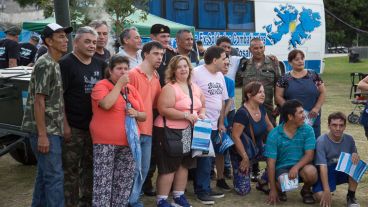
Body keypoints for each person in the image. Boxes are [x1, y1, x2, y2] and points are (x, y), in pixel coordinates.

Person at [21, 23, 73, 207]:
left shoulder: (54, 63)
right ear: (48, 41)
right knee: (54, 177)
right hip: (44, 130)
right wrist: (42, 135)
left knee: (45, 176)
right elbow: (38, 101)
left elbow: (56, 99)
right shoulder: (45, 64)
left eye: (65, 36)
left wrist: (64, 125)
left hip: (53, 128)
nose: (66, 40)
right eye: (60, 37)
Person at [59, 26, 107, 207]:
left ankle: (87, 203)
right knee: (70, 171)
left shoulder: (100, 64)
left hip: (94, 127)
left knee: (91, 168)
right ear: (76, 42)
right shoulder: (66, 64)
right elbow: (59, 98)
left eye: (94, 42)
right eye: (87, 41)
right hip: (73, 127)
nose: (92, 45)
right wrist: (65, 126)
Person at [90, 55, 146, 206]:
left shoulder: (131, 89)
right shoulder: (101, 85)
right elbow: (106, 104)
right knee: (103, 183)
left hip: (129, 143)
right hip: (105, 142)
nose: (123, 72)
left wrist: (136, 113)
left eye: (126, 69)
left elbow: (144, 115)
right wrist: (119, 85)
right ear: (110, 70)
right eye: (119, 69)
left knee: (123, 184)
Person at [153, 55, 206, 207]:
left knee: (184, 165)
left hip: (189, 131)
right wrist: (185, 115)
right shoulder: (170, 87)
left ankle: (178, 196)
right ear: (173, 70)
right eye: (179, 67)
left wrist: (201, 113)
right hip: (168, 131)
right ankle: (162, 199)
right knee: (169, 167)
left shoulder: (195, 87)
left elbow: (202, 104)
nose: (183, 69)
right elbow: (163, 109)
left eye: (185, 66)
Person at [143, 23, 177, 197]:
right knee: (147, 148)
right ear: (152, 37)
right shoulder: (146, 54)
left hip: (166, 107)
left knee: (161, 147)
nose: (166, 40)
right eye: (162, 37)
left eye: (167, 37)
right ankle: (145, 182)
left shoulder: (172, 54)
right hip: (148, 108)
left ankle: (165, 182)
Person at [128, 41, 164, 207]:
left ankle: (133, 200)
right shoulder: (133, 74)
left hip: (148, 130)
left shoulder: (156, 77)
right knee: (132, 169)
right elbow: (127, 104)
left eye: (162, 54)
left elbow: (157, 105)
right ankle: (130, 200)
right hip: (132, 130)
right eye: (156, 54)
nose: (160, 57)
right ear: (145, 54)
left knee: (143, 169)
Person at [192, 46, 228, 205]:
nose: (226, 60)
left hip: (215, 124)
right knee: (204, 160)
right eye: (223, 57)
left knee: (210, 160)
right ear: (215, 60)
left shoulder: (220, 75)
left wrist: (221, 122)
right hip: (202, 124)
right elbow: (190, 96)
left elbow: (222, 99)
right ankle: (202, 190)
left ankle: (206, 187)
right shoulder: (196, 73)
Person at [265, 99, 318, 205]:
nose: (304, 115)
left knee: (311, 173)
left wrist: (296, 167)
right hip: (282, 168)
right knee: (284, 184)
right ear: (290, 117)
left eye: (303, 111)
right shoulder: (274, 134)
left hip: (301, 166)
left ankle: (306, 190)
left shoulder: (308, 130)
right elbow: (270, 163)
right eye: (300, 112)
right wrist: (273, 190)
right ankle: (279, 189)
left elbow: (309, 155)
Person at [231, 81, 273, 196]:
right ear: (249, 95)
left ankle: (262, 179)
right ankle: (240, 174)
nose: (263, 94)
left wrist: (279, 143)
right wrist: (244, 157)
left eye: (263, 92)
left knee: (278, 155)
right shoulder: (242, 113)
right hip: (242, 153)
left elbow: (270, 127)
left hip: (258, 149)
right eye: (259, 92)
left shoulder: (262, 108)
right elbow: (235, 136)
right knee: (243, 191)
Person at [313, 112, 361, 207]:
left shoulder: (349, 139)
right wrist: (326, 190)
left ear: (345, 126)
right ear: (329, 126)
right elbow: (322, 167)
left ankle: (351, 197)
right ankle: (317, 190)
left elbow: (354, 155)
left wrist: (355, 154)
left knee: (356, 164)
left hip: (341, 170)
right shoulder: (321, 141)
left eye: (341, 125)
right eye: (334, 125)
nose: (338, 128)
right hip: (327, 170)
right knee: (320, 197)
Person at [276, 49, 326, 139]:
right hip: (290, 117)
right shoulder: (284, 78)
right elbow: (278, 96)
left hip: (311, 117)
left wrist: (316, 108)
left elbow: (322, 92)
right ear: (290, 63)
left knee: (310, 143)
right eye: (297, 59)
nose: (300, 61)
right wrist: (290, 109)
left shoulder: (314, 75)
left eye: (302, 58)